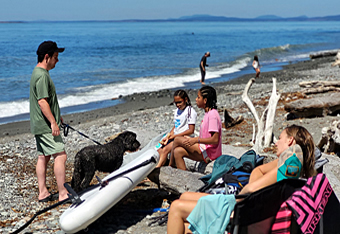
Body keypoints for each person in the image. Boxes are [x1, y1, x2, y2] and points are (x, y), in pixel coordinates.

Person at [167, 124, 316, 234]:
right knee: (186, 202)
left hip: (240, 210)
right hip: (245, 205)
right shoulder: (289, 166)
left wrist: (243, 197)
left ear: (290, 141)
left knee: (176, 207)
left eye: (280, 138)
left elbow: (251, 189)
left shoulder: (289, 165)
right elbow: (258, 170)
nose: (275, 142)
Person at [29, 41, 68, 202]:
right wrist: (53, 122)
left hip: (39, 123)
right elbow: (42, 102)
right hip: (45, 125)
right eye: (55, 57)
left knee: (43, 156)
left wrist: (56, 116)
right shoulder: (42, 75)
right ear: (47, 57)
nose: (57, 60)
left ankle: (43, 192)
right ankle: (63, 193)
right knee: (61, 155)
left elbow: (46, 101)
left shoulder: (37, 73)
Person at [169, 85, 222, 171]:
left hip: (210, 152)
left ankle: (170, 166)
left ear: (205, 100)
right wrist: (192, 139)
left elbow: (215, 139)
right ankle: (184, 179)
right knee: (177, 151)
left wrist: (196, 140)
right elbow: (206, 136)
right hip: (204, 148)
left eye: (198, 97)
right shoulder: (208, 113)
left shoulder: (212, 115)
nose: (196, 99)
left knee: (177, 139)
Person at [156, 90, 197, 168]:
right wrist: (168, 136)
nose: (178, 105)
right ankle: (159, 165)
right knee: (159, 149)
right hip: (175, 136)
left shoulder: (190, 111)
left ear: (185, 99)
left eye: (179, 102)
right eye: (176, 103)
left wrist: (175, 136)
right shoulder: (177, 111)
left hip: (184, 138)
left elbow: (191, 130)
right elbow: (176, 126)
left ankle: (157, 169)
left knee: (165, 150)